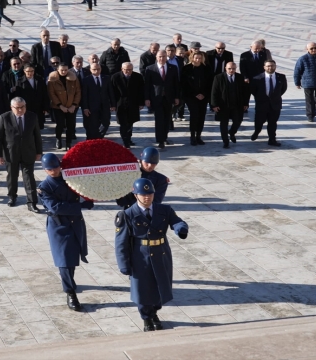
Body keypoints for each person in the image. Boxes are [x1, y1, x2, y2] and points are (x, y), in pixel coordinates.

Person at [114, 178, 188, 332]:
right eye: (143, 194)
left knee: (159, 287)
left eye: (150, 194)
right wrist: (124, 264)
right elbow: (121, 243)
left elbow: (176, 221)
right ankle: (146, 318)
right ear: (135, 195)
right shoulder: (127, 215)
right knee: (142, 290)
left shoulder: (164, 210)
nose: (147, 197)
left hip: (161, 254)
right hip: (140, 257)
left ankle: (154, 312)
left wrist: (180, 228)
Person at [37, 153, 93, 311]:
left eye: (55, 167)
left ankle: (70, 283)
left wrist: (91, 196)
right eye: (50, 169)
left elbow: (84, 185)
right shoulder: (44, 188)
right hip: (59, 226)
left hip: (75, 223)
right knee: (64, 260)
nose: (53, 171)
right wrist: (80, 207)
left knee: (73, 257)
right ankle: (70, 292)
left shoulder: (70, 178)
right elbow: (55, 207)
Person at [0, 97, 43, 212]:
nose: (20, 110)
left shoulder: (32, 116)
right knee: (12, 176)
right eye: (18, 108)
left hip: (28, 152)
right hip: (11, 153)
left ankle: (32, 202)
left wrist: (38, 152)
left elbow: (37, 136)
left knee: (29, 177)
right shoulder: (4, 118)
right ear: (12, 108)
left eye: (23, 107)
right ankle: (12, 197)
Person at [144, 50, 179, 149]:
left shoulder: (173, 68)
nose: (161, 58)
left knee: (167, 119)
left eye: (163, 56)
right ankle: (160, 140)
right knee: (159, 119)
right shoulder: (150, 69)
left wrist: (176, 97)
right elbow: (147, 85)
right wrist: (147, 98)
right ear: (156, 57)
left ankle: (165, 137)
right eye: (160, 56)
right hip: (156, 98)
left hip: (169, 98)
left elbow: (176, 84)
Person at [211, 62, 250, 148]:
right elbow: (214, 92)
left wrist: (246, 103)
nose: (231, 70)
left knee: (237, 121)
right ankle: (225, 141)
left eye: (233, 69)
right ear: (225, 68)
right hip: (223, 105)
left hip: (237, 105)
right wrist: (214, 105)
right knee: (224, 124)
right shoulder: (218, 77)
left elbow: (245, 92)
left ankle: (232, 132)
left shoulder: (240, 77)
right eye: (229, 69)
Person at [250, 60, 287, 146]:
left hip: (275, 104)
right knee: (259, 122)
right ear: (264, 67)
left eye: (272, 66)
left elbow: (283, 89)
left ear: (275, 66)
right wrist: (261, 97)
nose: (270, 68)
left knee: (272, 123)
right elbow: (253, 91)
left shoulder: (281, 77)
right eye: (268, 66)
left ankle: (272, 139)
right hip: (262, 104)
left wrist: (274, 97)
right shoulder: (257, 78)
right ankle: (257, 131)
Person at [181, 51, 212, 145]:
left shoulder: (207, 68)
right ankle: (192, 136)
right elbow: (184, 84)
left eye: (200, 58)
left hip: (203, 96)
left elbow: (210, 83)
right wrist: (195, 94)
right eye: (196, 58)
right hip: (191, 96)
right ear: (192, 58)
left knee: (202, 116)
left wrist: (204, 94)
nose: (198, 60)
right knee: (194, 115)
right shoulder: (186, 68)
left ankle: (199, 136)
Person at [111, 62, 144, 148]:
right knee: (123, 123)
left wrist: (141, 103)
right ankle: (125, 140)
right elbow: (112, 93)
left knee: (130, 122)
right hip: (120, 104)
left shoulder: (138, 77)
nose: (128, 72)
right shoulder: (115, 77)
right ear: (122, 69)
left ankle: (128, 138)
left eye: (130, 70)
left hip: (133, 103)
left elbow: (141, 91)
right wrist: (113, 104)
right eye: (126, 70)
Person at [47, 63, 80, 150]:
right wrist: (60, 105)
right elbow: (52, 94)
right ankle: (58, 139)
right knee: (60, 124)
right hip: (58, 107)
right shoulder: (53, 79)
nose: (64, 72)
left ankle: (68, 143)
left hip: (71, 107)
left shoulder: (73, 78)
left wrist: (74, 105)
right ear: (58, 69)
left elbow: (78, 92)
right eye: (62, 70)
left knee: (70, 125)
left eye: (66, 70)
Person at [81, 63, 115, 140]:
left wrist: (113, 104)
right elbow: (84, 95)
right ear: (90, 70)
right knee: (93, 125)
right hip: (92, 107)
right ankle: (93, 139)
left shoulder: (106, 78)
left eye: (98, 69)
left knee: (106, 123)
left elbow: (111, 92)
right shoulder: (86, 80)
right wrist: (85, 108)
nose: (96, 71)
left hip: (104, 106)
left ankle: (99, 137)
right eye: (94, 69)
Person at [17, 64, 49, 130]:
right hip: (27, 107)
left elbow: (45, 94)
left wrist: (46, 107)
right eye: (28, 71)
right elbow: (18, 95)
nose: (30, 73)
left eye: (32, 71)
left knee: (38, 125)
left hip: (38, 107)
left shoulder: (39, 79)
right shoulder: (20, 81)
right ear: (24, 71)